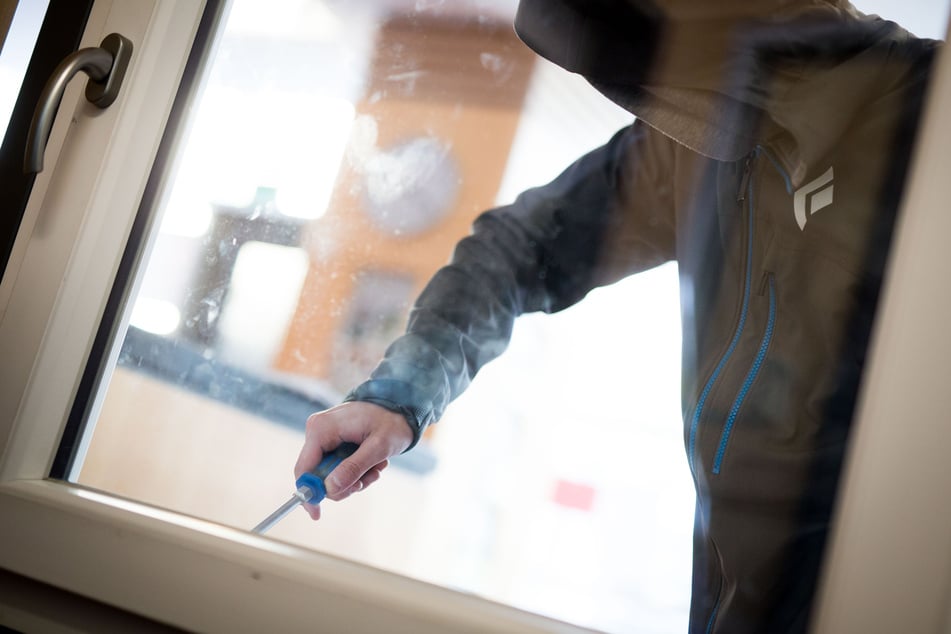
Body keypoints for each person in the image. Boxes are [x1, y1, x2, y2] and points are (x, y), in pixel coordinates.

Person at [294, 1, 940, 631]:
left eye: (675, 80)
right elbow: (517, 249)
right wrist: (401, 393)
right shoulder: (700, 147)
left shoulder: (929, 124)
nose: (673, 114)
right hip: (730, 591)